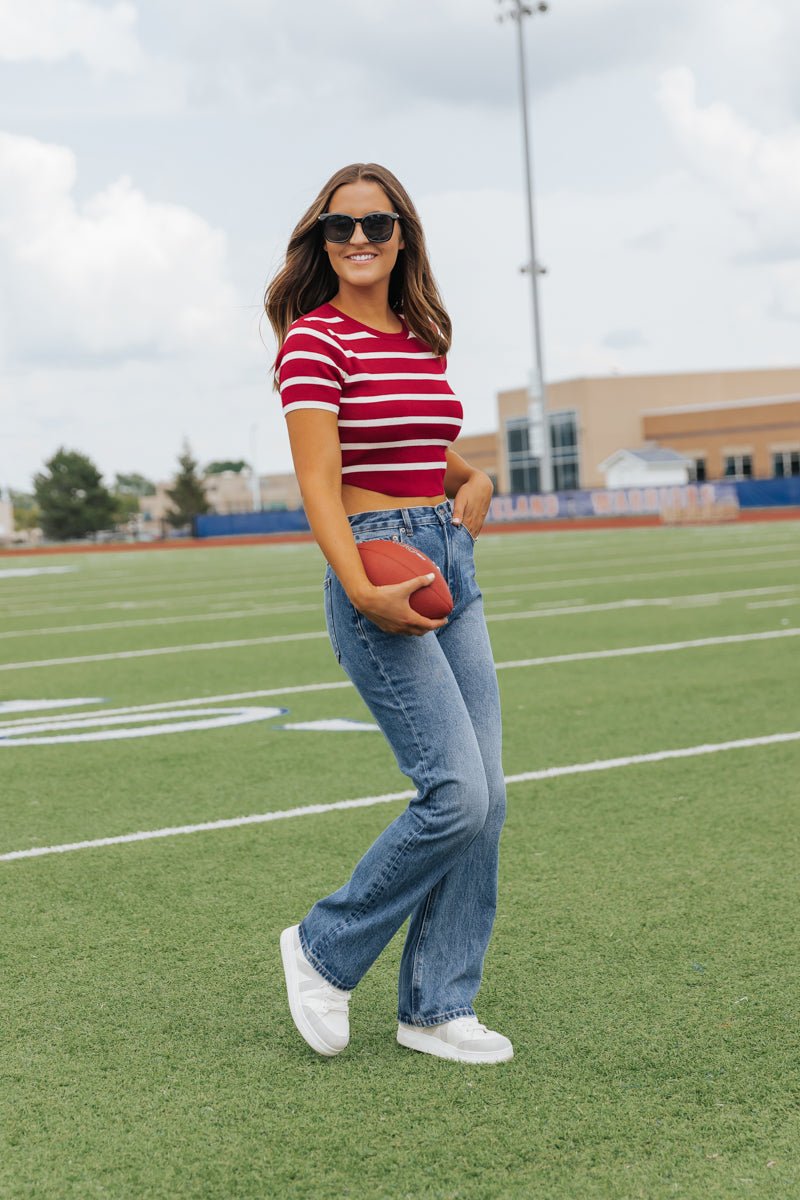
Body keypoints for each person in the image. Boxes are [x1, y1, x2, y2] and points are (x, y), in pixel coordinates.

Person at [264, 163, 511, 1064]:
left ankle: (437, 1006)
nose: (359, 240)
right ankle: (324, 950)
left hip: (450, 565)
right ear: (320, 239)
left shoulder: (416, 338)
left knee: (487, 803)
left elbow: (420, 446)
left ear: (403, 233)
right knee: (454, 793)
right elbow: (319, 481)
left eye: (377, 224)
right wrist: (358, 585)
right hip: (376, 568)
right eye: (341, 227)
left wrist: (475, 478)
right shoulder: (313, 342)